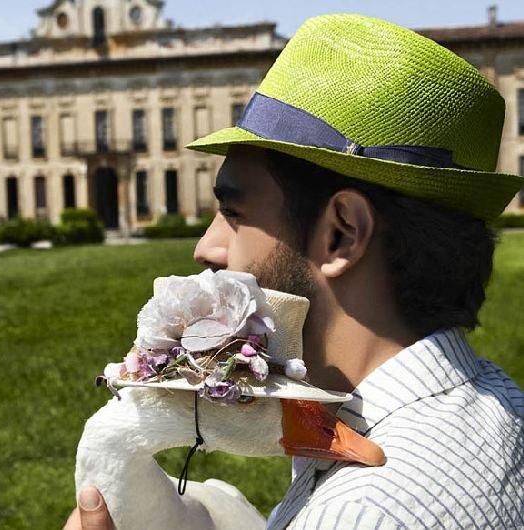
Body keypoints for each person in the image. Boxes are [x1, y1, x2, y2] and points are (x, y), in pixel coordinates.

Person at [64, 13, 524, 530]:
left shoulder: (360, 513)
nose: (205, 248)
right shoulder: (504, 405)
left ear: (341, 233)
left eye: (234, 214)